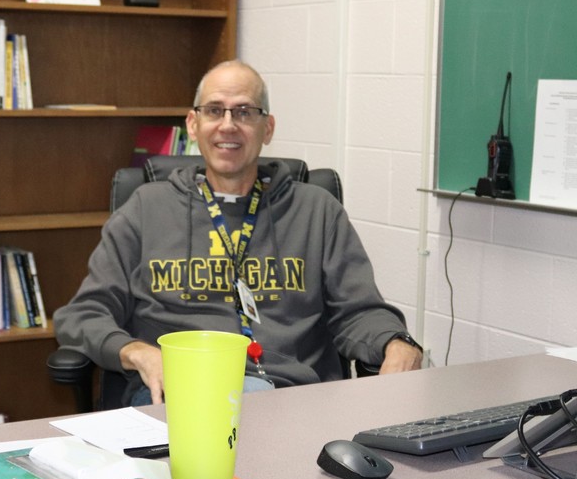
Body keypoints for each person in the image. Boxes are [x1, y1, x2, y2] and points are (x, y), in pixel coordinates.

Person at [53, 60, 423, 406]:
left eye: (244, 112)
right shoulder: (145, 209)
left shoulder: (316, 210)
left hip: (290, 400)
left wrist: (396, 341)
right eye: (214, 110)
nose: (228, 125)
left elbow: (359, 311)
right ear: (193, 124)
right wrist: (138, 353)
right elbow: (83, 315)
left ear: (268, 128)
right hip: (179, 399)